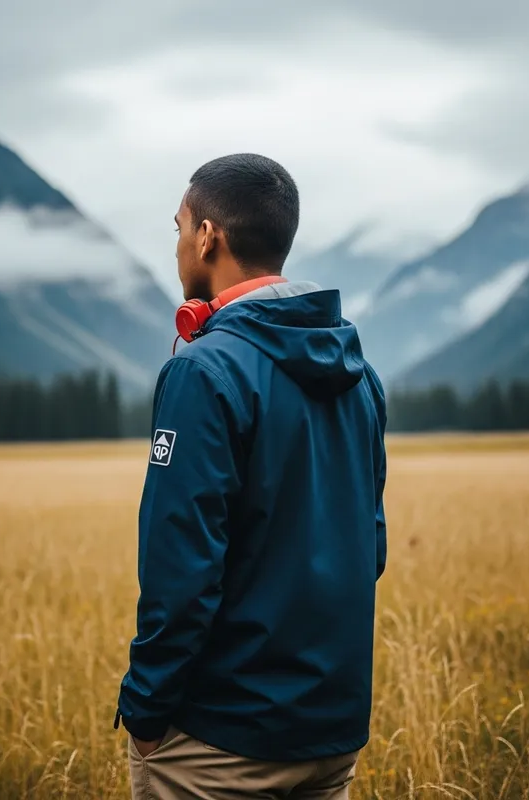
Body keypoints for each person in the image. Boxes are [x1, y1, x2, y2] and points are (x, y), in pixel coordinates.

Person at [115, 153, 388, 799]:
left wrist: (147, 714)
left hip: (219, 745)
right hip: (332, 730)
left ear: (208, 236)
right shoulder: (360, 373)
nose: (179, 245)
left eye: (179, 227)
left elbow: (180, 567)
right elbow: (367, 549)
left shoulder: (202, 371)